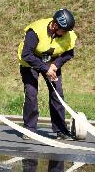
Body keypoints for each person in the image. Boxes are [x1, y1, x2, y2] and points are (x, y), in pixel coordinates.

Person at [17, 9, 76, 140]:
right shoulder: (36, 31)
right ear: (55, 25)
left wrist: (55, 65)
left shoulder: (67, 34)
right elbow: (26, 54)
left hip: (51, 62)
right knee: (31, 93)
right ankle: (29, 129)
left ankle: (61, 130)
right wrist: (45, 68)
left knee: (57, 93)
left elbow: (69, 53)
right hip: (30, 62)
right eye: (64, 30)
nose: (66, 34)